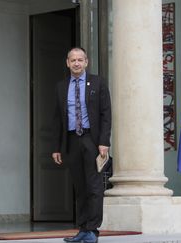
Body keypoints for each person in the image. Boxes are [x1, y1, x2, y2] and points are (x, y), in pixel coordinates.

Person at [51, 47, 111, 243]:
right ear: (67, 63)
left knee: (94, 186)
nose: (76, 63)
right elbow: (57, 119)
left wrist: (103, 142)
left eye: (80, 60)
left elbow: (105, 115)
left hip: (91, 141)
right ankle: (83, 228)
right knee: (80, 187)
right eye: (73, 60)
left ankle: (93, 230)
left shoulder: (98, 82)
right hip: (71, 141)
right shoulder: (61, 86)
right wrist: (56, 147)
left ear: (86, 62)